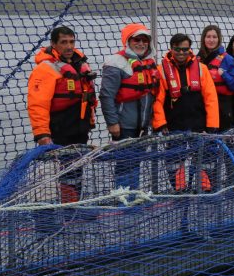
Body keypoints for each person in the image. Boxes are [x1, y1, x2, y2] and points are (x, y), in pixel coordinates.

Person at [27, 26, 97, 202]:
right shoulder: (45, 69)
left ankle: (74, 207)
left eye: (71, 42)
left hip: (79, 128)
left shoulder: (79, 64)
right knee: (64, 172)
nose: (69, 46)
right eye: (64, 42)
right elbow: (37, 104)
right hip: (59, 130)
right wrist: (42, 134)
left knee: (76, 170)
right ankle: (67, 210)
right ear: (53, 44)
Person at [153, 33, 219, 192]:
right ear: (171, 49)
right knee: (175, 160)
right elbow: (157, 100)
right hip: (174, 124)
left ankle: (204, 189)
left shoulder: (202, 69)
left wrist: (212, 125)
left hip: (199, 123)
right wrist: (160, 123)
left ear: (190, 49)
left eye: (185, 49)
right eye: (178, 49)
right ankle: (179, 190)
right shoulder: (161, 70)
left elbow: (211, 98)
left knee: (205, 159)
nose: (181, 53)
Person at [99, 24, 159, 192]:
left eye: (144, 40)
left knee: (136, 161)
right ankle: (122, 199)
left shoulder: (149, 62)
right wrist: (112, 123)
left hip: (143, 125)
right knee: (125, 163)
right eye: (136, 40)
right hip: (124, 125)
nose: (141, 43)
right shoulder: (116, 62)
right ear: (128, 41)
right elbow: (106, 95)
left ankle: (134, 196)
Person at [197, 25, 234, 131]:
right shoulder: (196, 59)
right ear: (203, 39)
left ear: (219, 39)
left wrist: (224, 75)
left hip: (222, 104)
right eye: (208, 37)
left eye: (214, 37)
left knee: (223, 136)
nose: (211, 40)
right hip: (202, 103)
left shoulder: (228, 59)